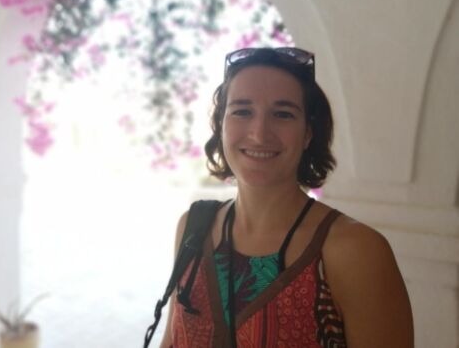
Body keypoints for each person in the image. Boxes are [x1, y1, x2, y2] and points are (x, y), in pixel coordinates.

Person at [159, 47, 413, 347]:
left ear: (308, 133)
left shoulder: (355, 251)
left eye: (283, 114)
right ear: (220, 124)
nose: (259, 134)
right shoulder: (193, 228)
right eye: (242, 111)